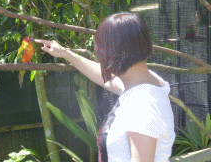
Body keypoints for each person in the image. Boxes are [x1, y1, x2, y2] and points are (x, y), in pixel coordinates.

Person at [35, 12, 175, 162]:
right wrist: (66, 54)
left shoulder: (142, 104)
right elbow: (107, 79)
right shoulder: (145, 82)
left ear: (111, 52)